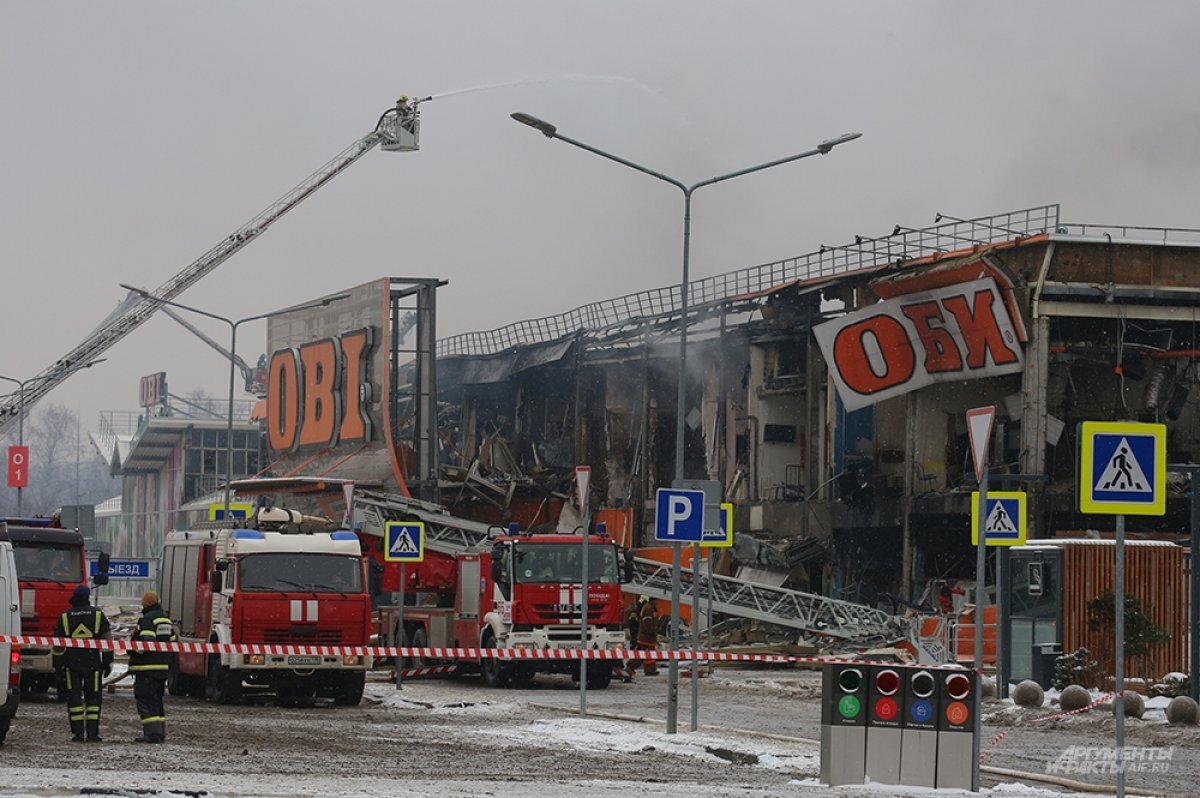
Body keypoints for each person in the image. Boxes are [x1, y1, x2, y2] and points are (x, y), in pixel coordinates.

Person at [52, 584, 112, 742]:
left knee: (74, 698)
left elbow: (58, 645)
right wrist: (108, 662)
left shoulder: (65, 616)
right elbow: (107, 642)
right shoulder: (98, 615)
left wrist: (57, 665)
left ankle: (77, 733)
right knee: (94, 699)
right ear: (88, 597)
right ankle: (93, 733)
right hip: (93, 663)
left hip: (72, 664)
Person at [129, 590, 177, 743]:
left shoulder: (147, 620)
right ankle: (159, 732)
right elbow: (173, 642)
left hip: (146, 668)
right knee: (157, 701)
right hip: (161, 668)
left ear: (145, 603)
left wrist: (133, 647)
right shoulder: (166, 620)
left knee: (146, 700)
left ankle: (151, 734)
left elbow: (146, 644)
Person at [635, 596, 659, 676]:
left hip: (647, 637)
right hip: (646, 638)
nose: (657, 603)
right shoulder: (649, 609)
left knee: (646, 655)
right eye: (656, 601)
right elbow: (647, 621)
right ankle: (649, 671)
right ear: (653, 601)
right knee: (646, 655)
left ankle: (650, 670)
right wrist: (651, 631)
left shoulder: (650, 608)